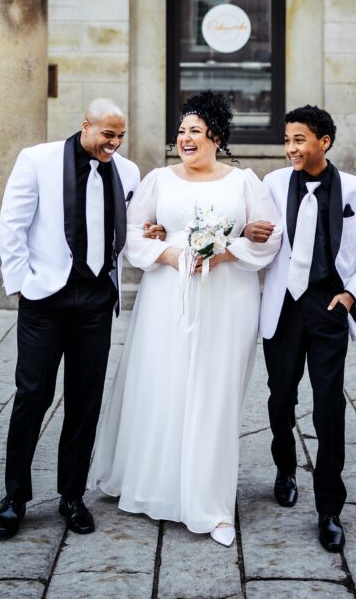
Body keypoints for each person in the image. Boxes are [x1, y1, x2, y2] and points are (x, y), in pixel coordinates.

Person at [89, 91, 282, 547]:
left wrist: (224, 251)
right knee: (165, 384)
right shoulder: (158, 180)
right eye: (181, 131)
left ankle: (210, 503)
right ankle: (157, 485)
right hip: (167, 294)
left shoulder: (245, 183)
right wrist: (174, 253)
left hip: (227, 296)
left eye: (194, 130)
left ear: (215, 135)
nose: (185, 138)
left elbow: (268, 238)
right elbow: (134, 235)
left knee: (214, 392)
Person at [0, 98, 140, 539]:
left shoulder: (128, 172)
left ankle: (71, 496)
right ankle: (14, 498)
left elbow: (127, 229)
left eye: (120, 136)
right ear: (85, 125)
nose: (113, 144)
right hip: (45, 298)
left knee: (85, 398)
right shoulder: (37, 160)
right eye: (106, 134)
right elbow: (12, 222)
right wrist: (21, 282)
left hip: (96, 300)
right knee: (32, 395)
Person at [259, 105, 356, 552]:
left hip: (330, 307)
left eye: (299, 140)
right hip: (283, 308)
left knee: (329, 406)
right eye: (288, 140)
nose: (291, 148)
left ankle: (329, 509)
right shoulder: (273, 184)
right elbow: (259, 233)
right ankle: (285, 467)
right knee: (280, 396)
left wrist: (350, 296)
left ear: (323, 142)